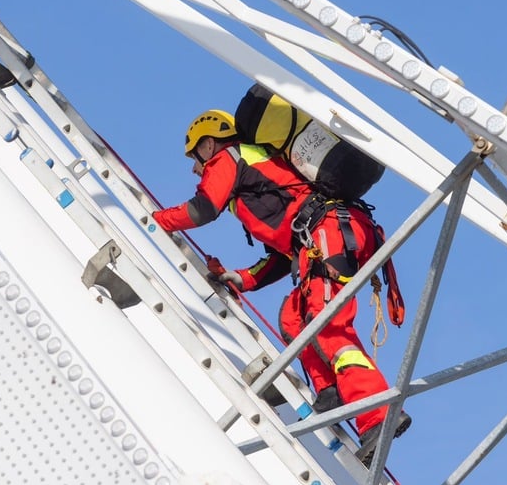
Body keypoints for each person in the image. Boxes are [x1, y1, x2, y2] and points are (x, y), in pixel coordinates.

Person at [152, 110, 410, 465]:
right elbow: (279, 253)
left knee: (326, 325)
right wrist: (242, 278)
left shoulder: (229, 158)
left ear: (209, 143)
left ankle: (378, 414)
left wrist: (156, 221)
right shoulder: (255, 175)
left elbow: (202, 209)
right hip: (326, 235)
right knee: (294, 318)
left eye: (196, 156)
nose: (195, 168)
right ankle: (330, 394)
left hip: (329, 231)